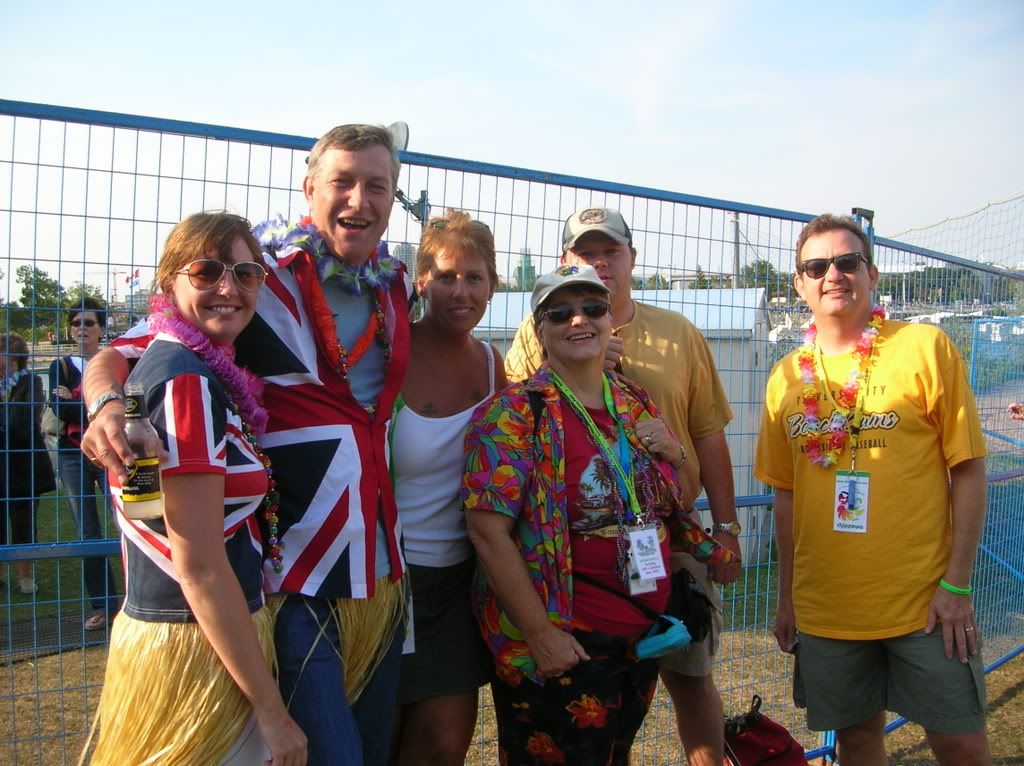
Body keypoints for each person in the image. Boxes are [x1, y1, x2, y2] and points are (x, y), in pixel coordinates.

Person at [82, 124, 412, 766]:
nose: (359, 200)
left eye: (377, 186)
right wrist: (104, 403)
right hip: (296, 573)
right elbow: (125, 350)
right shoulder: (257, 277)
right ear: (309, 188)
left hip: (380, 569)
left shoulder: (394, 287)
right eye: (342, 182)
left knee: (373, 752)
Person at [464, 264, 735, 766]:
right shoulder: (514, 413)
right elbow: (486, 533)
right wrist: (542, 636)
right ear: (539, 331)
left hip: (636, 636)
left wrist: (674, 452)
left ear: (611, 320)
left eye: (593, 308)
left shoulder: (632, 400)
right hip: (563, 643)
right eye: (560, 313)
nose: (579, 320)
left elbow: (675, 498)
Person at [755, 213, 991, 766]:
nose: (832, 275)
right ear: (800, 284)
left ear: (872, 274)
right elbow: (786, 495)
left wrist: (957, 584)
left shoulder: (924, 347)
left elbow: (968, 469)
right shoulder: (785, 377)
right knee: (857, 742)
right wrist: (787, 596)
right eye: (817, 266)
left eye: (847, 261)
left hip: (926, 603)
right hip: (827, 607)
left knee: (960, 743)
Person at [87, 212, 306, 765]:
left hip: (190, 639)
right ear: (169, 283)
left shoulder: (183, 366)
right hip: (197, 650)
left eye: (246, 273)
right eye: (207, 271)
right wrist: (272, 712)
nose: (228, 289)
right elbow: (201, 565)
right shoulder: (185, 381)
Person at [389, 209, 506, 766]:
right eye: (446, 277)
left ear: (493, 285)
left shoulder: (491, 365)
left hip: (460, 585)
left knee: (442, 745)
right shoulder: (387, 356)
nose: (461, 292)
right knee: (380, 741)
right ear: (420, 281)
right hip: (388, 583)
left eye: (474, 277)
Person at [48, 298, 120, 630]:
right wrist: (99, 406)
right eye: (75, 323)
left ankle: (139, 599)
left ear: (101, 329)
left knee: (127, 522)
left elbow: (123, 407)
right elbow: (59, 410)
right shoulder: (60, 366)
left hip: (110, 451)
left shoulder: (114, 362)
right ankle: (104, 605)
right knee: (87, 531)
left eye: (88, 323)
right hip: (71, 455)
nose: (81, 328)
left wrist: (75, 400)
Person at [1, 333, 56, 595]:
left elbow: (22, 421)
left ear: (15, 360)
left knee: (24, 522)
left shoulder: (31, 382)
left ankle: (25, 578)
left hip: (24, 466)